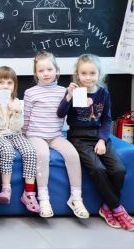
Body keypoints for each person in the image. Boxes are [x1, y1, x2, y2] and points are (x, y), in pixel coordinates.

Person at [57, 54, 134, 230]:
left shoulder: (103, 93)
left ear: (99, 74)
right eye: (83, 73)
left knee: (119, 169)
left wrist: (102, 140)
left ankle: (106, 207)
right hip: (78, 137)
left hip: (99, 136)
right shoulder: (75, 92)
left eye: (92, 73)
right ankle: (117, 209)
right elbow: (60, 114)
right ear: (77, 74)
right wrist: (68, 96)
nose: (88, 77)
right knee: (98, 169)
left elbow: (106, 120)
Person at [23, 51, 87, 219]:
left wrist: (71, 95)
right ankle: (43, 198)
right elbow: (26, 117)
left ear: (57, 70)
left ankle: (76, 198)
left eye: (49, 69)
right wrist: (23, 136)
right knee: (43, 154)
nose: (46, 73)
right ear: (36, 73)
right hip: (36, 135)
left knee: (73, 155)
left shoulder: (63, 91)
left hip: (56, 135)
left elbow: (74, 112)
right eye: (41, 70)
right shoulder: (30, 92)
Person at [0, 66, 39, 213]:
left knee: (30, 151)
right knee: (7, 150)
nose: (5, 86)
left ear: (14, 86)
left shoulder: (17, 102)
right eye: (1, 82)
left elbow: (17, 127)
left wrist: (17, 112)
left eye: (9, 83)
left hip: (15, 133)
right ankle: (6, 189)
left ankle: (29, 192)